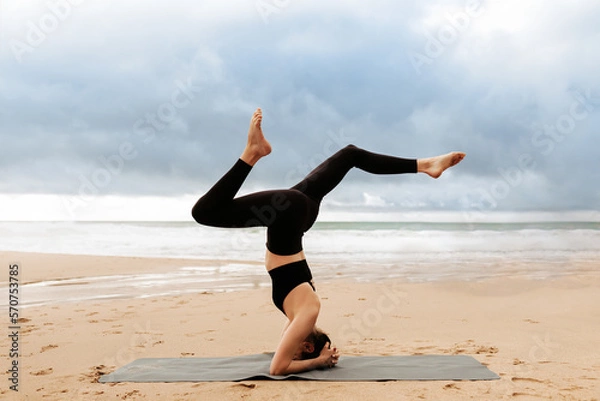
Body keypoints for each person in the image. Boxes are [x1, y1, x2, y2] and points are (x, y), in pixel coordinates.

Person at [191, 108, 465, 375]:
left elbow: (282, 354)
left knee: (350, 154)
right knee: (203, 212)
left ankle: (425, 166)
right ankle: (252, 153)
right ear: (307, 344)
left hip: (299, 214)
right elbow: (278, 368)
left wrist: (321, 354)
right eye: (298, 351)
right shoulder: (307, 314)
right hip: (289, 212)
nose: (288, 350)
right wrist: (317, 362)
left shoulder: (301, 315)